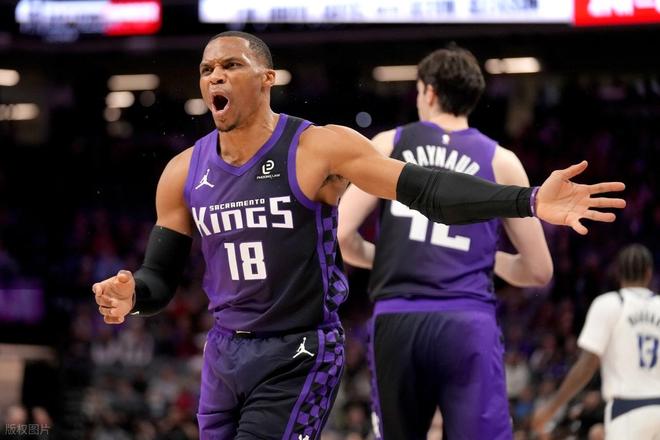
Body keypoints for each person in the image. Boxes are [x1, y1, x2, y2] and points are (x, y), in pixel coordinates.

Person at [91, 31, 625, 439]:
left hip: (299, 349)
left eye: (232, 66)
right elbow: (160, 277)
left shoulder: (318, 148)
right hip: (223, 351)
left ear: (267, 78)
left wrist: (528, 200)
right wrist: (133, 296)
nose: (215, 77)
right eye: (207, 69)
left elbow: (426, 189)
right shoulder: (182, 171)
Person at [337, 45, 554, 440]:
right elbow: (539, 270)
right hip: (465, 321)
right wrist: (485, 258)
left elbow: (342, 234)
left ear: (429, 91)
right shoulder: (501, 160)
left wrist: (391, 259)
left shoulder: (389, 144)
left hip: (398, 319)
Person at [532, 244, 660, 439]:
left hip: (627, 410)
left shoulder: (609, 304)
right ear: (649, 273)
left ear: (617, 273)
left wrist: (552, 407)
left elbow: (587, 365)